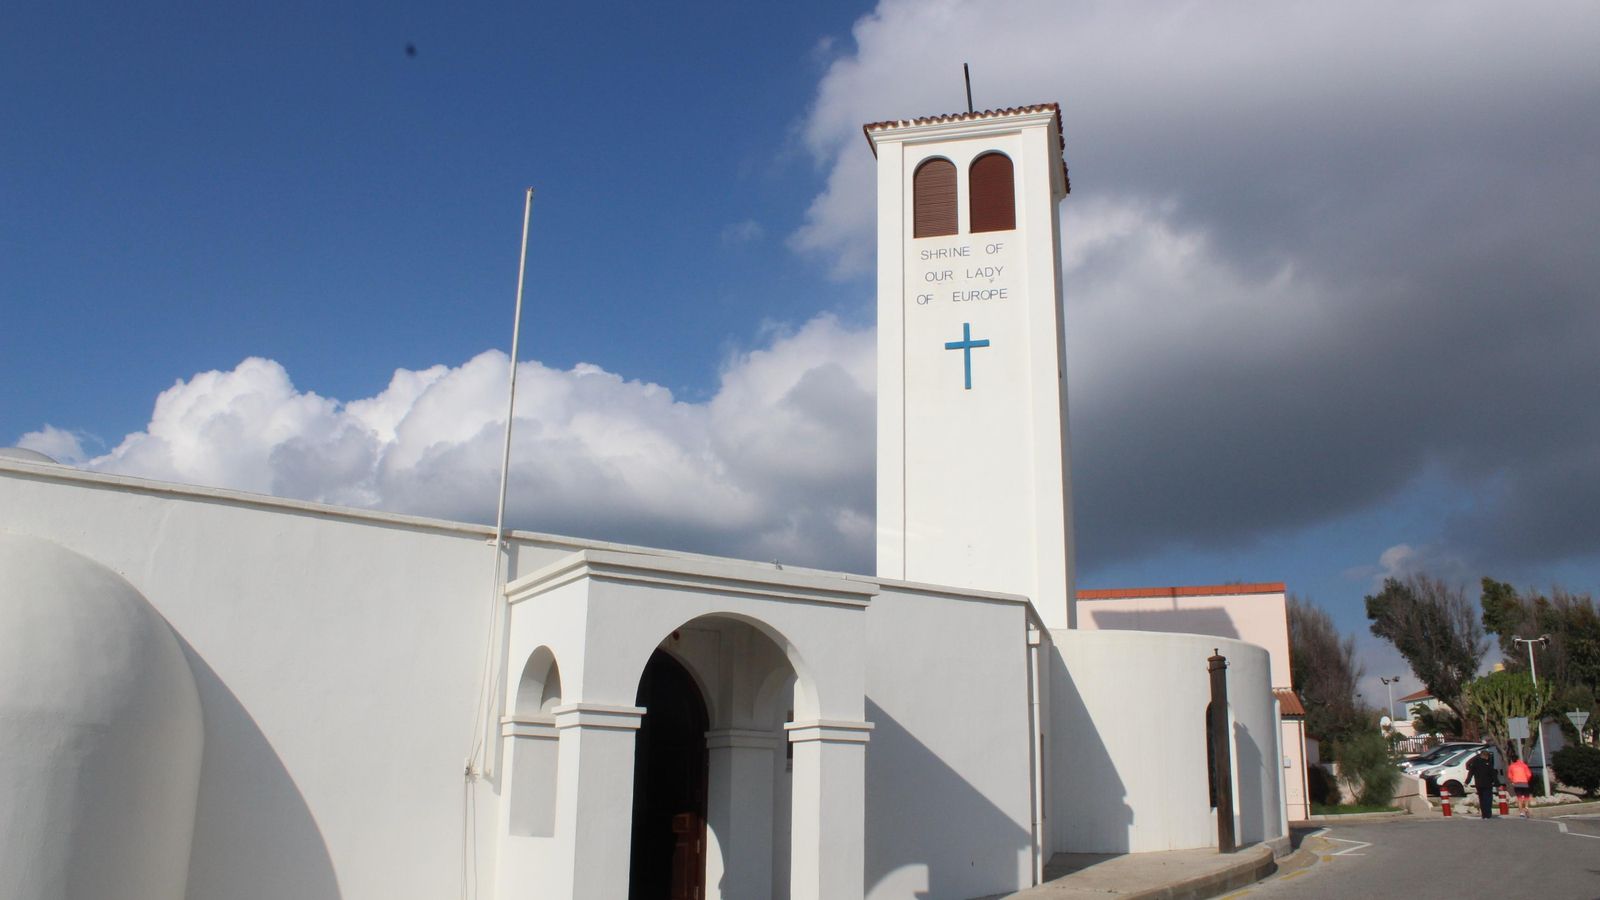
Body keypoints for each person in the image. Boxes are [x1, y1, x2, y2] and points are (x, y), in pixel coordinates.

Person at [1465, 750, 1497, 819]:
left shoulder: (1475, 763)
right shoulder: (1488, 763)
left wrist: (1467, 781)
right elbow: (1493, 774)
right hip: (1487, 784)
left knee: (1482, 799)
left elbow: (1471, 773)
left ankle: (1484, 814)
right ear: (1486, 756)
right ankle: (1488, 814)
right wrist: (1497, 783)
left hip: (1479, 784)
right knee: (1487, 799)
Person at [1508, 752, 1534, 818]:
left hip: (1516, 783)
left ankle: (1521, 813)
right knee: (1526, 797)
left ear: (1512, 760)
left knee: (1519, 798)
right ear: (1518, 759)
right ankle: (1526, 807)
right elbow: (1529, 774)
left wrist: (1512, 781)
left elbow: (1509, 776)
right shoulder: (1524, 765)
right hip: (1524, 783)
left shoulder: (1511, 766)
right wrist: (1526, 780)